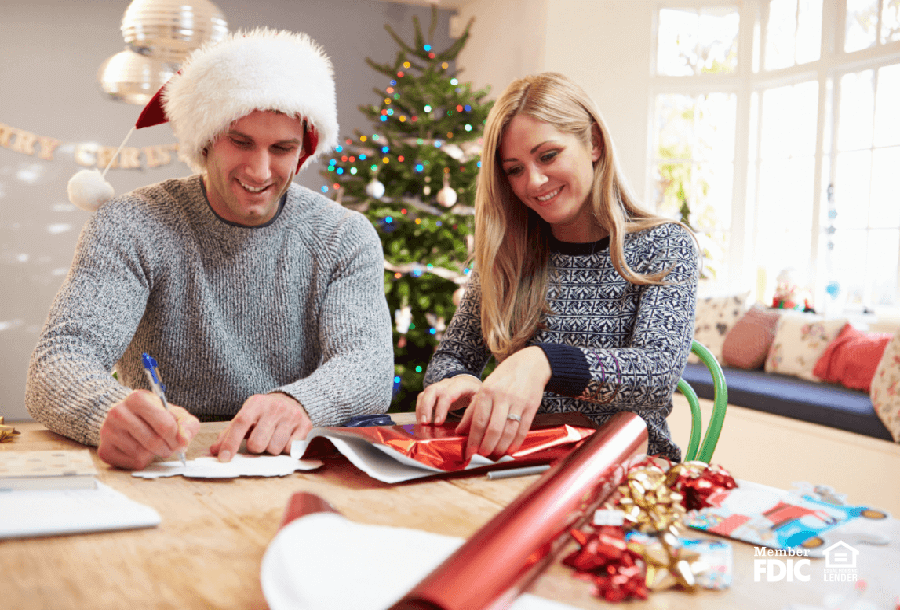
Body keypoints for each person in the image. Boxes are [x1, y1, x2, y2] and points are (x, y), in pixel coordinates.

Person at [26, 29, 394, 470]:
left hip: (295, 464)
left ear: (303, 152)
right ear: (205, 141)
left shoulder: (342, 235)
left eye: (282, 149)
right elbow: (58, 361)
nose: (260, 170)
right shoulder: (131, 224)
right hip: (165, 466)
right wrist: (106, 410)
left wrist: (300, 402)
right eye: (240, 142)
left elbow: (369, 366)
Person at [416, 72, 699, 463]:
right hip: (521, 466)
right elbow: (450, 359)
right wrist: (458, 381)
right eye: (514, 169)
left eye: (548, 155)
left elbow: (657, 374)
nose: (533, 182)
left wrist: (546, 360)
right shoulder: (505, 254)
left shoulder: (665, 245)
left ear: (594, 143)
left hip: (627, 471)